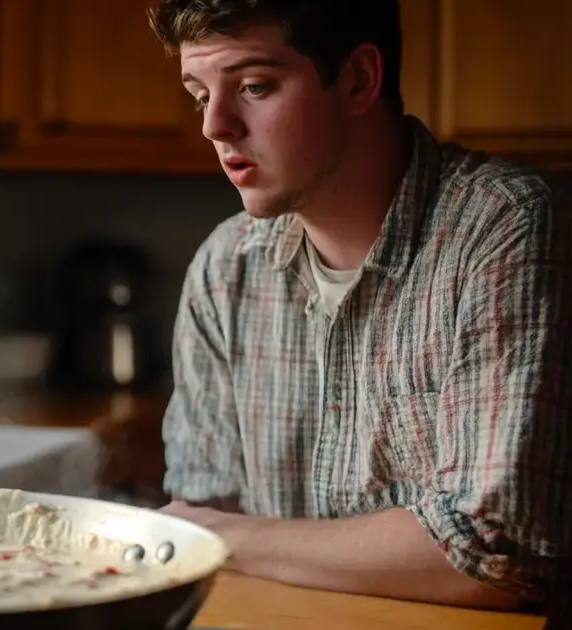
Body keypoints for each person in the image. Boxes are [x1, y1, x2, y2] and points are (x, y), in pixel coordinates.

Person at [149, 0, 571, 613]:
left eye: (254, 86)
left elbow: (493, 559)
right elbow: (202, 515)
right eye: (199, 95)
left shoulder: (504, 227)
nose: (216, 125)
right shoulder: (225, 268)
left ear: (358, 80)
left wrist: (227, 538)